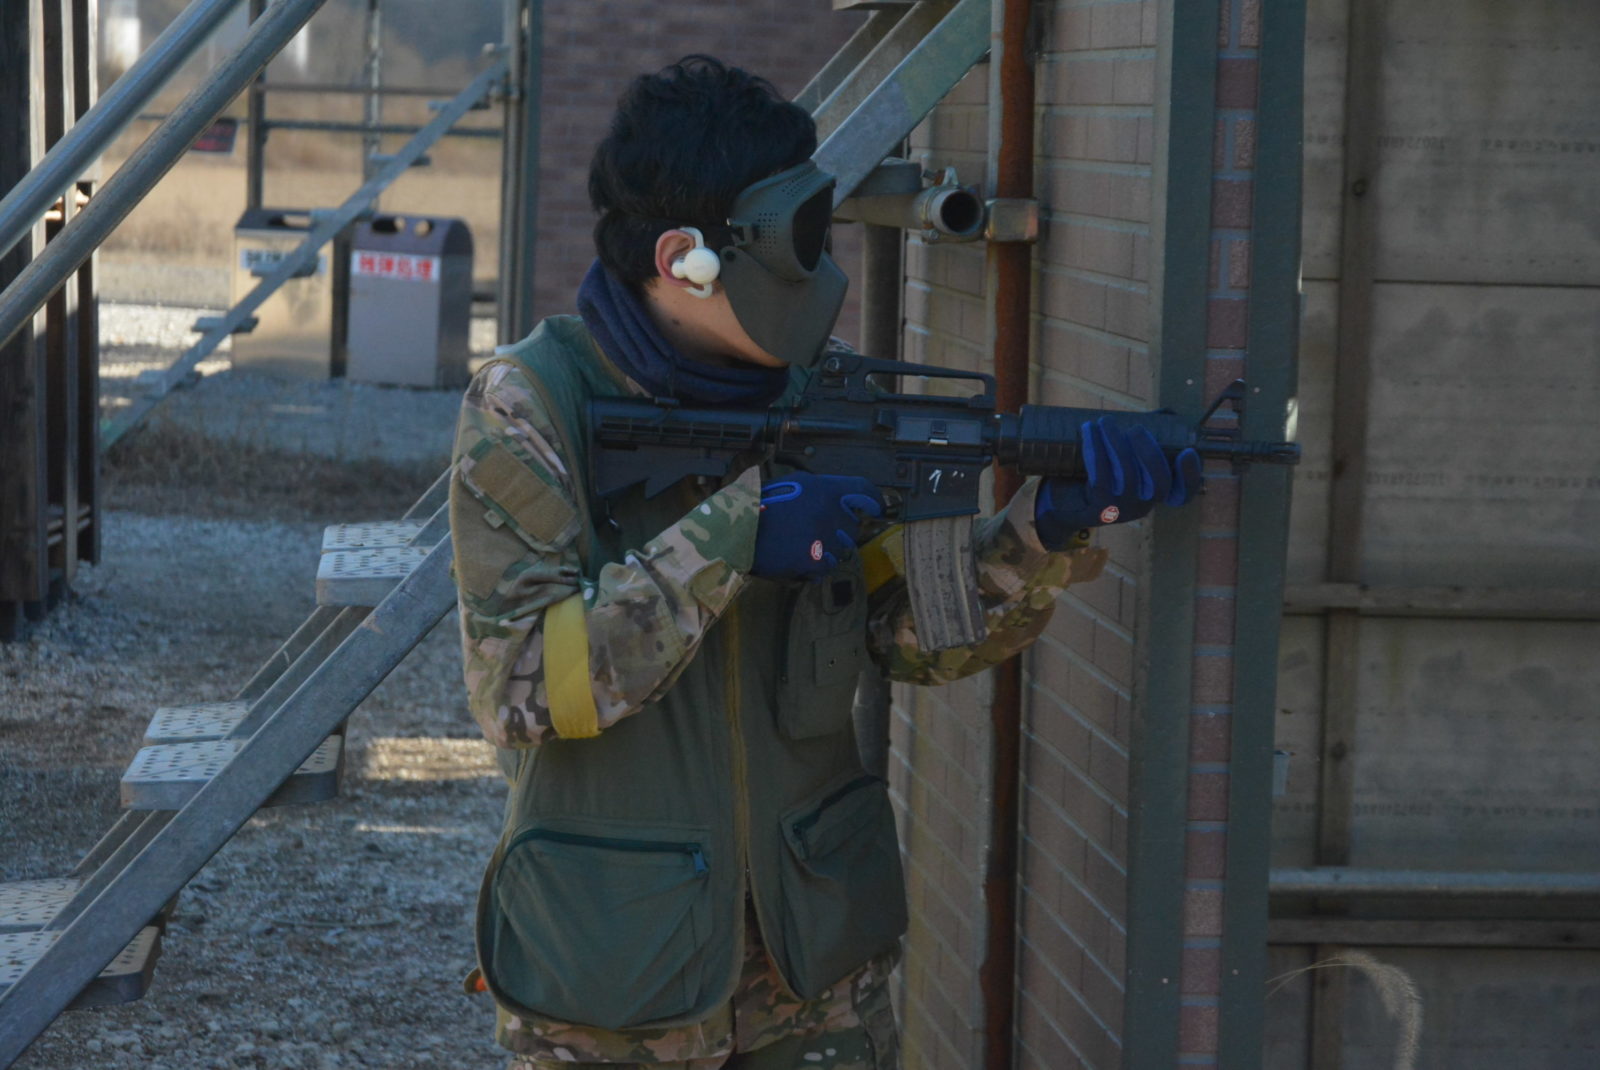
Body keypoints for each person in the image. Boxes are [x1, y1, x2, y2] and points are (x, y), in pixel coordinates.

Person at [449, 55, 1198, 1070]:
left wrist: (1043, 529)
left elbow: (912, 639)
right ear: (683, 259)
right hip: (612, 984)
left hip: (813, 973)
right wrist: (732, 538)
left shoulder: (828, 393)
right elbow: (523, 687)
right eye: (795, 243)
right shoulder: (530, 404)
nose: (822, 276)